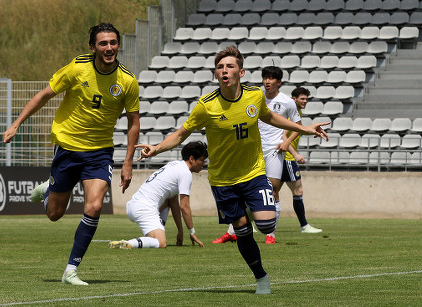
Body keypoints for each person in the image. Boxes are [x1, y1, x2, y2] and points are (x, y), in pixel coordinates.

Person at [135, 46, 329, 294]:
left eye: (229, 66)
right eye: (220, 67)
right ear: (216, 74)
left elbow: (269, 118)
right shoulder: (206, 105)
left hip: (253, 174)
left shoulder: (254, 97)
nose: (224, 70)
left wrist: (305, 128)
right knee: (242, 230)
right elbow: (182, 133)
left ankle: (249, 208)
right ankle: (261, 277)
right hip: (223, 181)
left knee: (267, 226)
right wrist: (157, 148)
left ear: (241, 72)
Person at [2, 23, 140, 286]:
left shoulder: (127, 81)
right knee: (54, 214)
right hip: (67, 146)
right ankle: (49, 189)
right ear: (93, 47)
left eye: (113, 42)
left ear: (118, 45)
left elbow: (134, 122)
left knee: (95, 206)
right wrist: (16, 123)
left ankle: (71, 270)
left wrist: (128, 162)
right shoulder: (77, 67)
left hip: (100, 152)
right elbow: (44, 95)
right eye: (103, 43)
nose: (109, 48)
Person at [212, 66, 302, 245]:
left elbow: (298, 125)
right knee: (241, 191)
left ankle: (271, 234)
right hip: (252, 150)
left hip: (274, 151)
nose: (267, 81)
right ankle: (233, 231)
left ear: (279, 82)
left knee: (273, 190)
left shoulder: (287, 102)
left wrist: (287, 142)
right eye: (265, 78)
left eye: (271, 79)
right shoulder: (254, 96)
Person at [109, 141, 207, 249]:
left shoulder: (174, 165)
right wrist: (192, 232)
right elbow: (184, 207)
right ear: (192, 159)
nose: (203, 164)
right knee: (161, 243)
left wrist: (180, 231)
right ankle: (129, 243)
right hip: (144, 208)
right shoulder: (185, 173)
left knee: (167, 202)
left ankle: (157, 229)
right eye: (202, 160)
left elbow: (173, 202)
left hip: (135, 204)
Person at [281, 87, 322, 233]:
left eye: (306, 99)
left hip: (283, 158)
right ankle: (304, 226)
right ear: (294, 99)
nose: (305, 101)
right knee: (298, 191)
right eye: (302, 99)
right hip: (287, 158)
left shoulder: (296, 113)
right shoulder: (291, 114)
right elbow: (283, 136)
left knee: (272, 193)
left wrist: (313, 129)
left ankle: (247, 223)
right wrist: (295, 154)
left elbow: (299, 130)